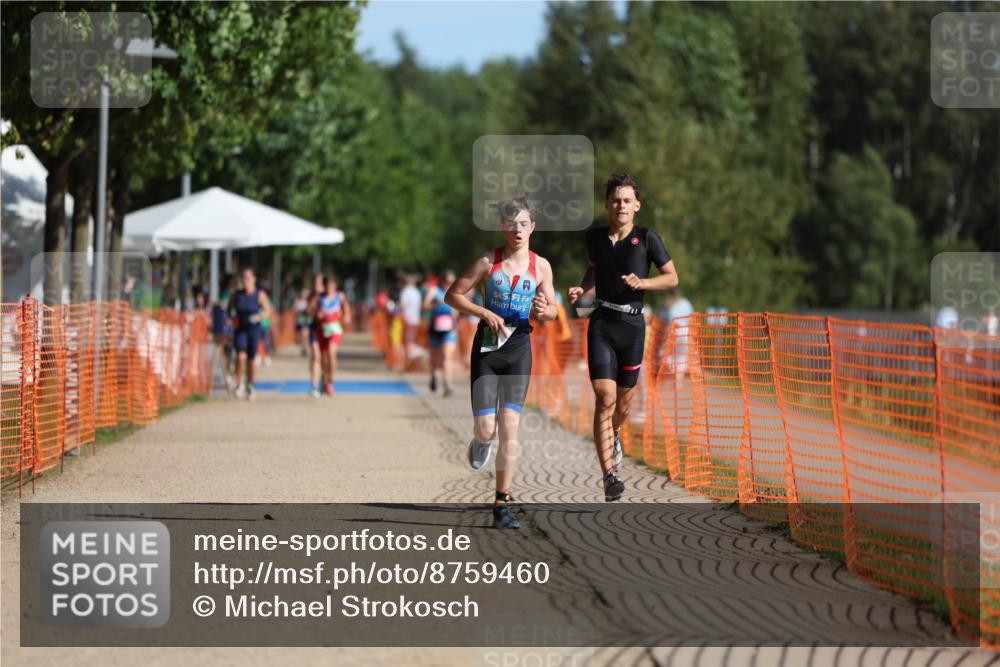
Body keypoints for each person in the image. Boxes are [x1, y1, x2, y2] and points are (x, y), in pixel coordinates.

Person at [445, 197, 558, 529]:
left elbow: (553, 310)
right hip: (487, 350)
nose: (518, 230)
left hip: (519, 349)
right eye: (512, 224)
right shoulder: (487, 262)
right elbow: (453, 295)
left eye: (524, 224)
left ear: (532, 227)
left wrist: (545, 310)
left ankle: (501, 504)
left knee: (510, 427)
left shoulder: (541, 266)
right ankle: (481, 441)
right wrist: (483, 312)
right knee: (487, 429)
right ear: (502, 227)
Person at [568, 172, 678, 501]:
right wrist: (582, 291)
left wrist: (644, 283)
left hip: (632, 327)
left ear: (637, 205)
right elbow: (593, 269)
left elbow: (671, 278)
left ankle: (614, 432)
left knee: (624, 406)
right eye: (616, 200)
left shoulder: (647, 239)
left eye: (627, 200)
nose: (621, 206)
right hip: (601, 323)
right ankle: (609, 477)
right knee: (605, 398)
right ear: (607, 205)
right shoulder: (595, 238)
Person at [228, 268, 272, 401]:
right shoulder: (238, 294)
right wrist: (231, 320)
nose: (245, 280)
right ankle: (239, 384)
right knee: (240, 356)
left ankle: (250, 386)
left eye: (248, 278)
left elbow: (268, 311)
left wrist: (259, 317)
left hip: (254, 329)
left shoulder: (259, 294)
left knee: (251, 360)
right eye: (244, 278)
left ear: (254, 279)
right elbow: (229, 310)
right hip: (241, 329)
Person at [313, 273, 352, 397]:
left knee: (331, 352)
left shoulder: (340, 296)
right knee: (324, 358)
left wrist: (345, 316)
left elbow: (347, 312)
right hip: (322, 330)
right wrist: (318, 314)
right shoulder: (320, 297)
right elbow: (314, 312)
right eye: (328, 285)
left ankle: (331, 381)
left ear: (335, 285)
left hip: (335, 329)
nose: (330, 287)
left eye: (332, 285)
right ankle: (324, 379)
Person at [424, 269, 458, 397]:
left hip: (450, 328)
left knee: (447, 356)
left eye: (452, 282)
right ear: (442, 281)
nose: (448, 284)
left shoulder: (455, 292)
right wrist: (436, 304)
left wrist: (454, 311)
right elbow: (424, 305)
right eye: (447, 281)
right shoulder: (434, 291)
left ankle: (448, 383)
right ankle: (434, 375)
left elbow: (457, 312)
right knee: (435, 357)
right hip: (435, 328)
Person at [306, 274, 326, 397]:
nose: (317, 285)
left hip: (327, 330)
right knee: (316, 356)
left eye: (319, 283)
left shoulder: (329, 296)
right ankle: (314, 385)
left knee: (324, 358)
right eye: (315, 283)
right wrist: (315, 298)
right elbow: (307, 311)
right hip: (314, 329)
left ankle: (325, 381)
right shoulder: (312, 296)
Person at [399, 274, 423, 369]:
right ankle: (414, 359)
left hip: (407, 319)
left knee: (408, 341)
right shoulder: (417, 292)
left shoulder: (405, 291)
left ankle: (410, 362)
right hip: (416, 319)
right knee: (412, 340)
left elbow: (402, 305)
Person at [294, 288, 311, 357]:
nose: (304, 295)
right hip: (300, 320)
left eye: (306, 293)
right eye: (303, 293)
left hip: (307, 320)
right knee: (302, 335)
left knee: (305, 335)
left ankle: (305, 348)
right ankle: (303, 348)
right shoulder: (298, 301)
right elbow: (294, 309)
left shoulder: (309, 301)